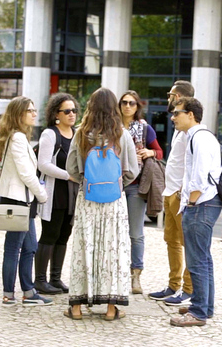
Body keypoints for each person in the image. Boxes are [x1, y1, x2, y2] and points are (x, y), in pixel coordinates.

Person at [65, 88, 139, 321]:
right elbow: (132, 170)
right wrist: (117, 185)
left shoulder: (80, 134)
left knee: (84, 248)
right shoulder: (121, 134)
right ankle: (110, 308)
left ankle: (76, 307)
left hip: (87, 198)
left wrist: (86, 182)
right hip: (114, 203)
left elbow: (71, 169)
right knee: (112, 251)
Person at [168, 97, 222, 328]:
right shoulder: (201, 136)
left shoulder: (199, 138)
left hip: (201, 203)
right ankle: (205, 306)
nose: (173, 117)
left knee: (197, 259)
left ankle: (199, 312)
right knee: (204, 257)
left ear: (191, 114)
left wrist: (190, 203)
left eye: (177, 113)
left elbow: (199, 177)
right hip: (207, 202)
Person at [0, 97, 51, 306]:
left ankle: (28, 292)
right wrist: (42, 195)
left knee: (29, 247)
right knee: (14, 248)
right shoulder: (17, 138)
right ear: (19, 114)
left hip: (22, 201)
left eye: (35, 110)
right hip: (19, 201)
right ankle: (9, 293)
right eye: (30, 111)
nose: (34, 114)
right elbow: (27, 174)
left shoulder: (19, 137)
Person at [148, 80, 194, 307]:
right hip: (170, 191)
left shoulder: (191, 128)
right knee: (171, 241)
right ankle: (173, 285)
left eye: (170, 95)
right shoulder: (178, 127)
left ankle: (188, 289)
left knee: (187, 243)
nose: (168, 99)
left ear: (179, 97)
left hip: (180, 194)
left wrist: (183, 193)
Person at [34, 93, 80, 295]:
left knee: (63, 236)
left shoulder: (77, 133)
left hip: (72, 195)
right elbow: (43, 164)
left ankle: (55, 278)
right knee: (49, 235)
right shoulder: (50, 134)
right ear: (56, 114)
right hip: (54, 194)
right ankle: (40, 280)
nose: (72, 114)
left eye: (74, 110)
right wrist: (68, 175)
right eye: (67, 111)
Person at [118, 90, 163, 295]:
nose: (128, 106)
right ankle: (115, 274)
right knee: (114, 233)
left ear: (137, 107)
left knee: (135, 233)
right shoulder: (112, 126)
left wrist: (150, 152)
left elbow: (160, 152)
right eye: (124, 103)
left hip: (137, 185)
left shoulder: (145, 128)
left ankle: (135, 275)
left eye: (132, 103)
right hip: (114, 185)